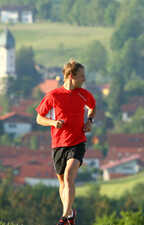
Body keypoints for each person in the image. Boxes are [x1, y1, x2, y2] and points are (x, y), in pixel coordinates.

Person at [36, 59, 96, 225]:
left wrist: (90, 121)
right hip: (58, 144)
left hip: (77, 142)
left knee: (69, 177)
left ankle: (63, 218)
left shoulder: (84, 94)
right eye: (81, 76)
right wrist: (53, 123)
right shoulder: (53, 95)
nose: (84, 79)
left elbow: (93, 106)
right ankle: (70, 214)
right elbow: (39, 118)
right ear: (71, 76)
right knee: (62, 182)